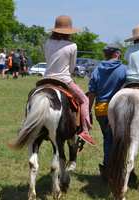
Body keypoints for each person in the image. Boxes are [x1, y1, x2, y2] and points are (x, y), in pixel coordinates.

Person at [44, 15, 95, 145]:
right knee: (84, 100)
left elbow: (48, 60)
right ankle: (84, 130)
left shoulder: (47, 42)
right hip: (64, 80)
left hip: (46, 78)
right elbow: (71, 68)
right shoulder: (72, 45)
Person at [88, 44, 126, 177]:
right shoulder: (124, 69)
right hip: (118, 110)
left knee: (107, 138)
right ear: (116, 54)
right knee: (118, 140)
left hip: (101, 110)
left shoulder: (97, 69)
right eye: (119, 53)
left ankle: (107, 166)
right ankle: (114, 169)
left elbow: (92, 92)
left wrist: (88, 111)